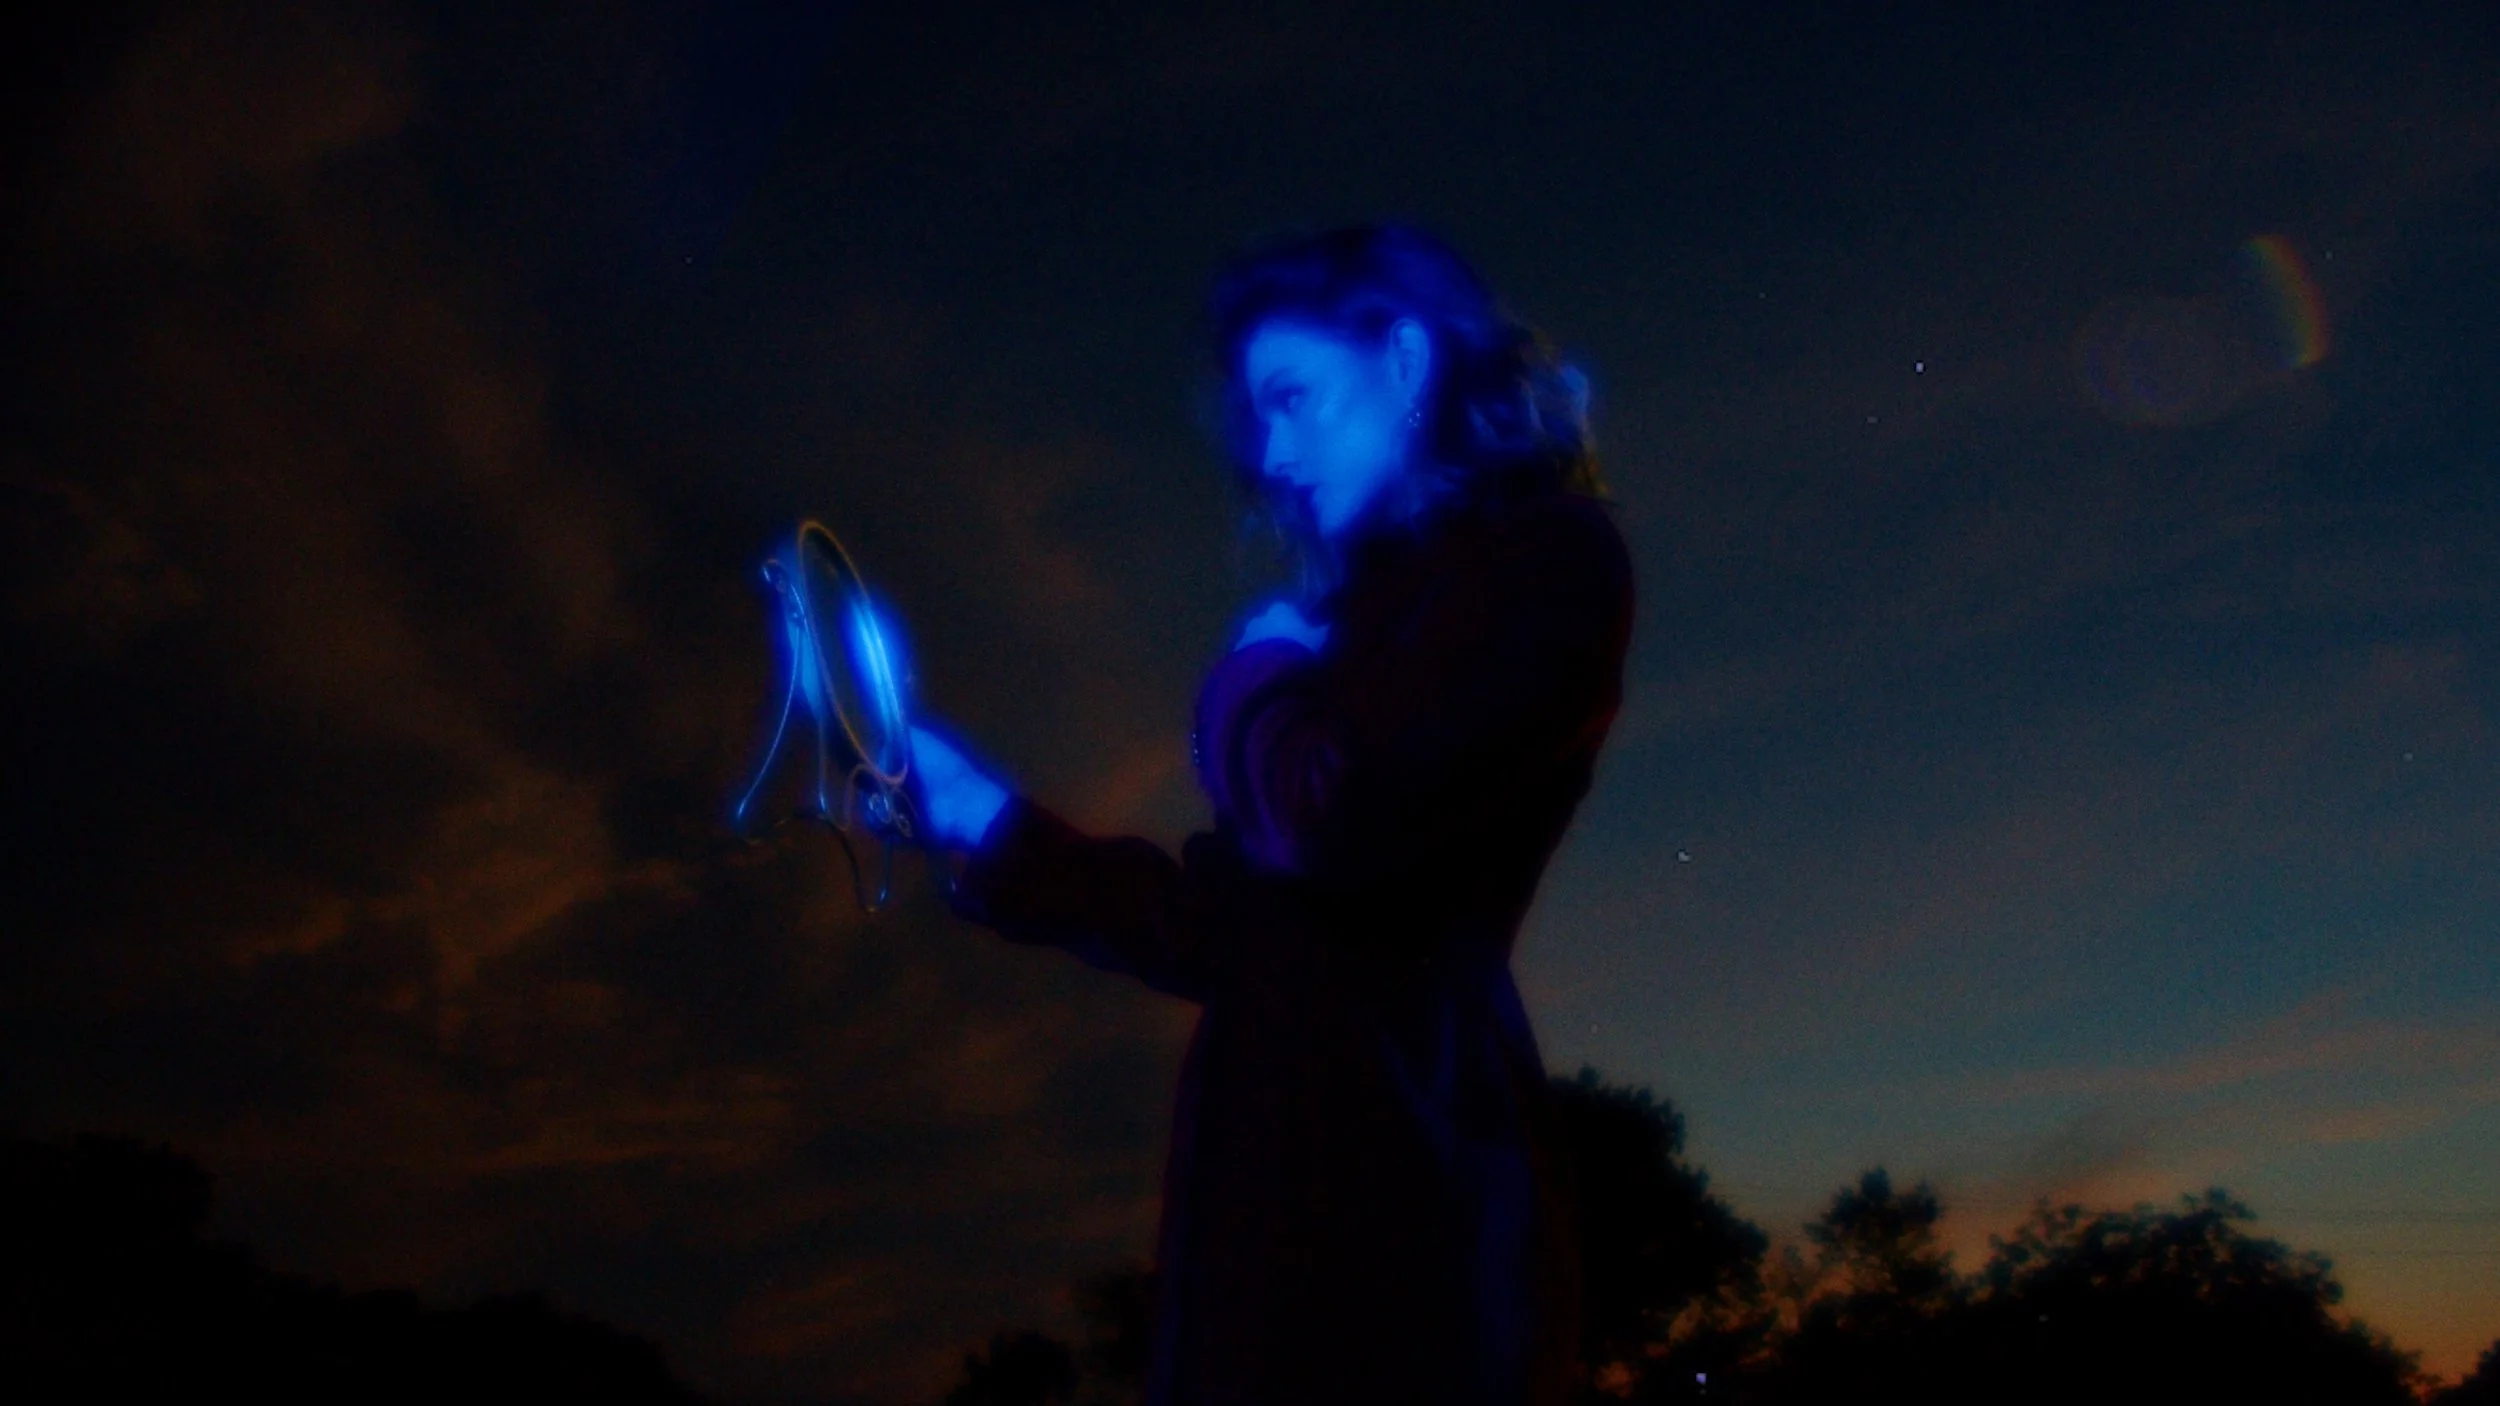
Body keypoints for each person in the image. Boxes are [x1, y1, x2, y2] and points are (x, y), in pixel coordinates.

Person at [907, 225, 1634, 1406]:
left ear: (1404, 360)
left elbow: (1330, 818)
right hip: (1270, 1198)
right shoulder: (1351, 632)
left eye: (1294, 397)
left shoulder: (1551, 557)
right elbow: (1224, 929)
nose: (1276, 452)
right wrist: (980, 817)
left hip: (1412, 1191)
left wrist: (1257, 670)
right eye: (1261, 419)